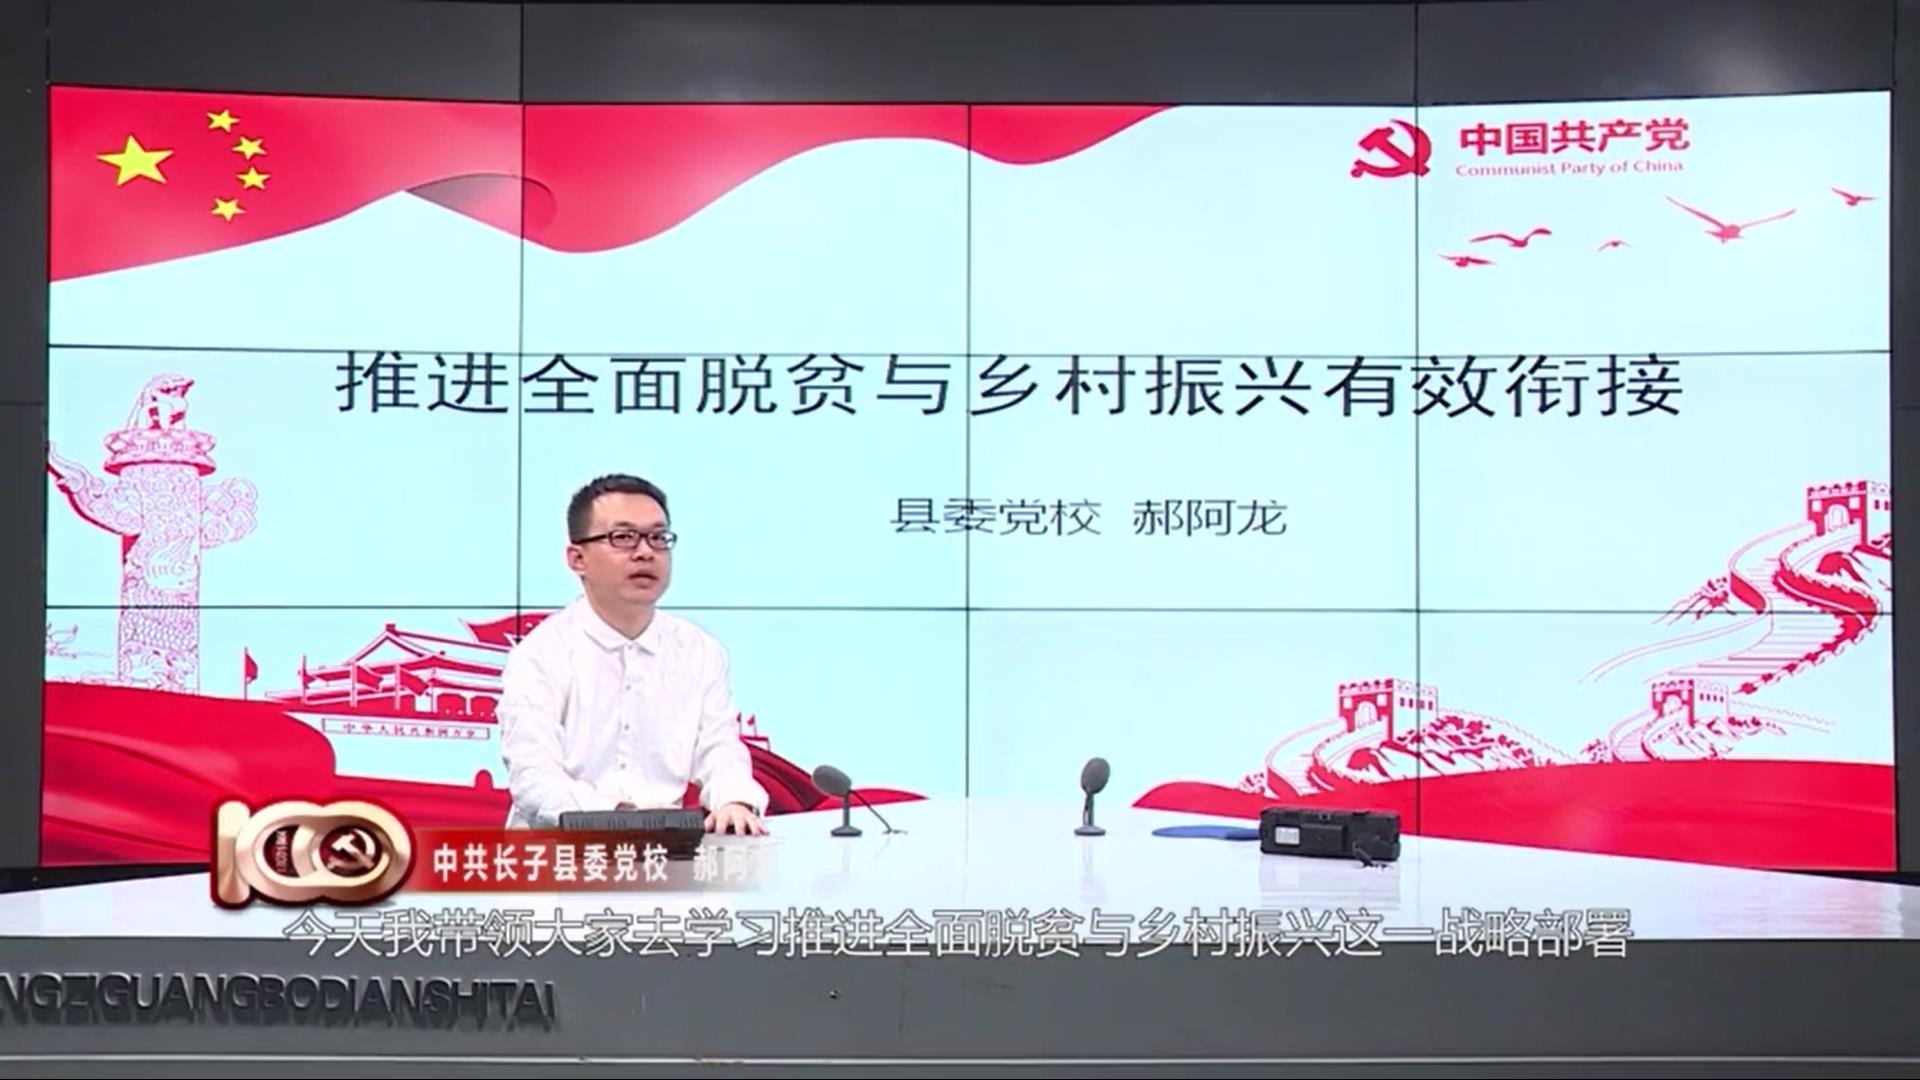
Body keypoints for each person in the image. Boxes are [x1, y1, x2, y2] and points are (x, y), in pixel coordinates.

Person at [499, 474, 769, 835]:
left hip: (664, 851)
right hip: (558, 854)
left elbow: (719, 749)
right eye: (623, 537)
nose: (645, 552)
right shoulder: (540, 654)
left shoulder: (699, 651)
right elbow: (534, 779)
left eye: (658, 538)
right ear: (577, 559)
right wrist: (621, 818)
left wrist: (735, 800)